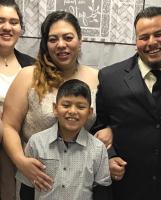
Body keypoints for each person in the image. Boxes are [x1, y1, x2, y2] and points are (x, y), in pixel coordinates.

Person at [92, 6, 161, 200]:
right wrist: (109, 156)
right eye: (143, 37)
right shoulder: (110, 78)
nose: (151, 42)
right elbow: (99, 126)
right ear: (136, 42)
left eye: (159, 34)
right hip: (127, 190)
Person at [2, 10, 111, 195]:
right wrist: (21, 161)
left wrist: (108, 129)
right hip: (37, 178)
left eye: (68, 37)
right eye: (53, 39)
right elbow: (9, 126)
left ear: (80, 39)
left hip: (79, 182)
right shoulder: (28, 76)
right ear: (46, 43)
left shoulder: (98, 78)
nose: (61, 45)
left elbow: (105, 120)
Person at [16, 79, 112, 200]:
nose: (72, 111)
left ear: (89, 112)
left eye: (81, 107)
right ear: (55, 108)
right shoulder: (36, 143)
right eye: (66, 105)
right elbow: (26, 187)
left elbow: (102, 192)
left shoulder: (98, 148)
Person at [0, 0, 35, 199]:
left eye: (13, 22)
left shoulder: (32, 66)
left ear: (20, 29)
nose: (7, 27)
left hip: (22, 142)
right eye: (0, 20)